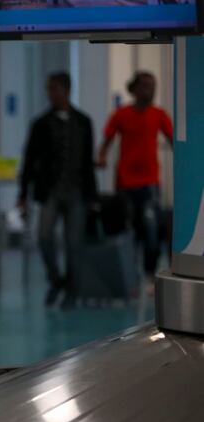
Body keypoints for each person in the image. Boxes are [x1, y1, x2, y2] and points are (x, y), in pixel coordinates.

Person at [19, 72, 98, 309]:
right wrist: (23, 194)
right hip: (50, 190)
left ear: (66, 90)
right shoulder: (41, 124)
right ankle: (56, 279)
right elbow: (30, 159)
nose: (50, 94)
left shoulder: (83, 122)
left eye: (54, 89)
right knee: (43, 236)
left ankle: (72, 290)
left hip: (77, 191)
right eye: (48, 89)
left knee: (74, 243)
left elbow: (87, 161)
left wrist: (92, 196)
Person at [98, 71, 173, 291]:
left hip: (150, 183)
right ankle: (129, 276)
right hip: (125, 184)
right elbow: (107, 142)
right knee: (130, 232)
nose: (151, 91)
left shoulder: (159, 115)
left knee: (151, 228)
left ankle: (150, 275)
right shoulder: (121, 115)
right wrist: (101, 157)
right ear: (135, 89)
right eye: (146, 86)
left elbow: (174, 139)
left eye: (153, 86)